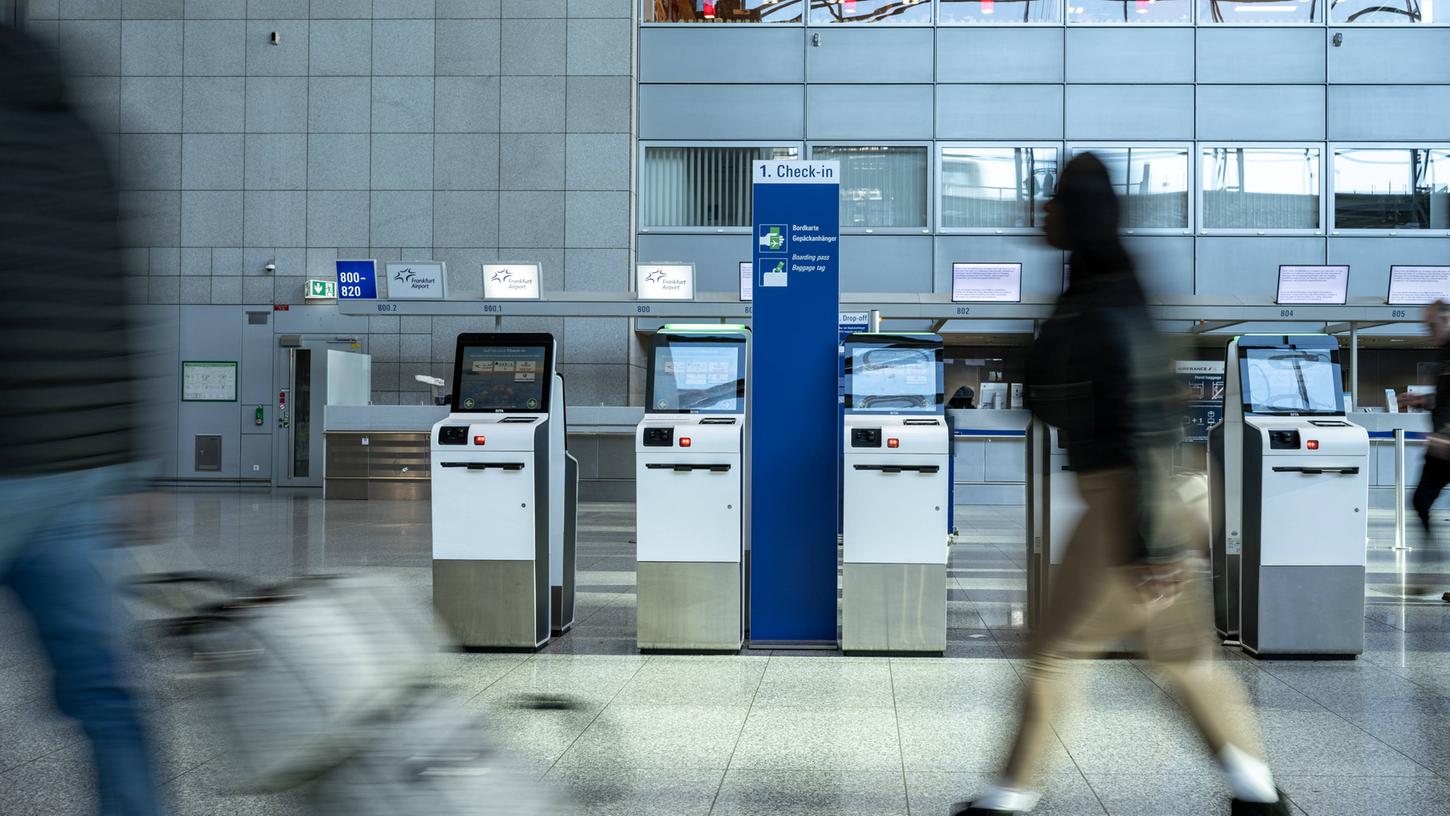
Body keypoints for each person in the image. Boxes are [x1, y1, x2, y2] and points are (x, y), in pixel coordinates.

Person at [952, 154, 1288, 816]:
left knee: (1054, 655)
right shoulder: (1101, 293)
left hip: (1125, 503)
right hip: (1148, 496)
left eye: (1050, 201)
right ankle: (1258, 795)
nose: (1038, 211)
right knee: (1185, 660)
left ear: (1074, 214)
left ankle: (1007, 799)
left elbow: (1130, 423)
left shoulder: (1103, 307)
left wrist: (1148, 545)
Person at [0, 26, 166, 816]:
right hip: (80, 471)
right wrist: (133, 463)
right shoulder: (88, 138)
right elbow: (122, 305)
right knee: (107, 689)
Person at [1397, 301, 1450, 603]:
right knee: (1420, 500)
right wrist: (1424, 400)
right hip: (1443, 445)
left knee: (1421, 500)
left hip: (1445, 445)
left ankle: (1430, 570)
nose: (1429, 332)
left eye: (1432, 325)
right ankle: (1430, 569)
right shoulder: (1445, 352)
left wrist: (1445, 436)